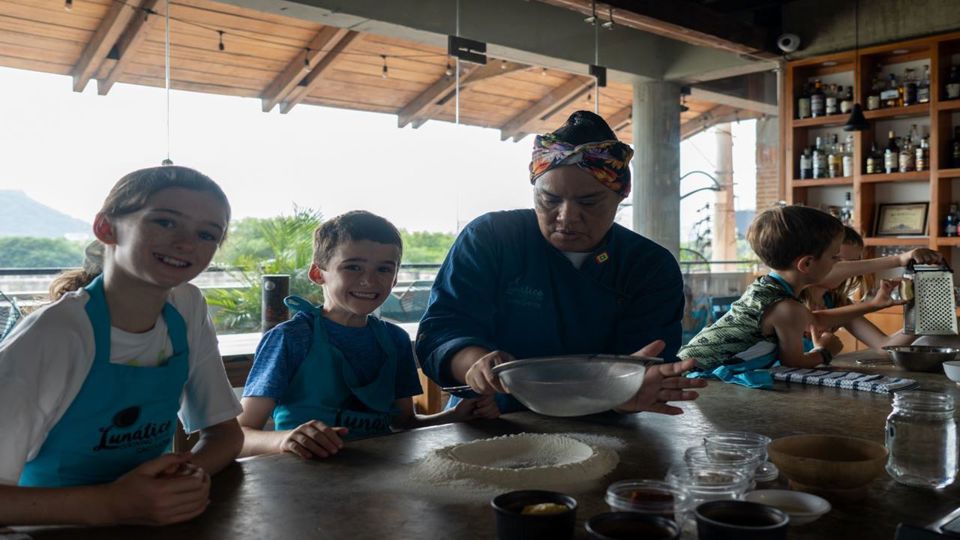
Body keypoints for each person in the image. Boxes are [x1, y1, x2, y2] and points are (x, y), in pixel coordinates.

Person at [416, 110, 705, 415]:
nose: (566, 217)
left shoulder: (649, 266)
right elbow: (442, 329)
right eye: (550, 200)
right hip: (493, 418)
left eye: (589, 202)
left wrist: (633, 389)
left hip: (605, 421)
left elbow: (646, 364)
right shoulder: (491, 238)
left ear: (621, 194)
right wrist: (475, 363)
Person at [0, 165, 243, 526]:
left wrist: (180, 480)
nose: (187, 243)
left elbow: (225, 435)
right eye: (165, 222)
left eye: (207, 234)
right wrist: (114, 504)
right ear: (106, 228)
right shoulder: (55, 335)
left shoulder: (187, 308)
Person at [238, 211, 498, 460]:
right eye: (353, 267)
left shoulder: (395, 340)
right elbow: (241, 435)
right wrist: (284, 441)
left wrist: (455, 415)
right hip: (303, 481)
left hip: (380, 482)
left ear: (395, 278)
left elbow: (404, 424)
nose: (369, 281)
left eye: (384, 269)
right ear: (318, 274)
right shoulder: (290, 338)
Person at [678, 205, 928, 387]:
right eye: (834, 257)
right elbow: (794, 363)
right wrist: (825, 351)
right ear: (807, 264)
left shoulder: (767, 289)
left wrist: (877, 305)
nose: (839, 264)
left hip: (689, 370)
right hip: (699, 379)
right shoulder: (787, 307)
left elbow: (816, 320)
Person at [800, 226, 915, 351]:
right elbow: (834, 271)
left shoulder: (839, 302)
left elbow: (884, 346)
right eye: (837, 259)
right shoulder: (790, 296)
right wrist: (898, 259)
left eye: (853, 262)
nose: (851, 271)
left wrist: (923, 322)